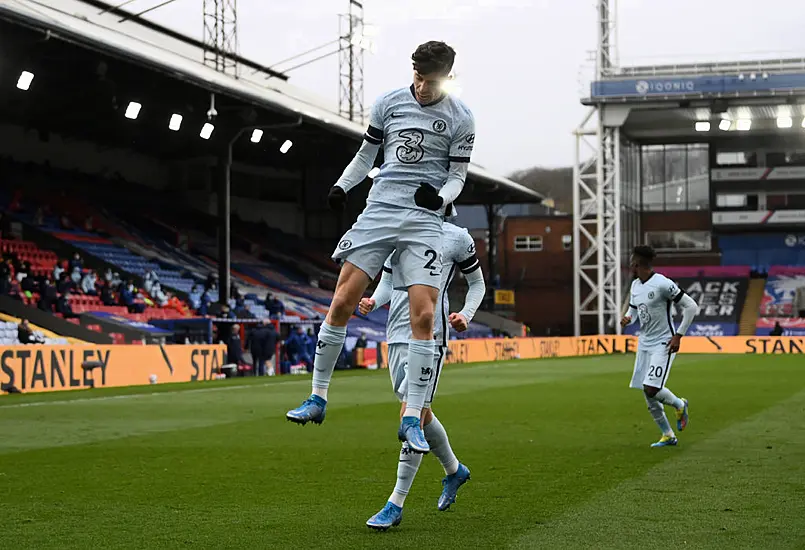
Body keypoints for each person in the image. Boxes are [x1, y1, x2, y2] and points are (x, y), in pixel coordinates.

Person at [286, 41, 475, 456]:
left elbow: (458, 178)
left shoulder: (461, 118)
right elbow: (365, 154)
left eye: (432, 80)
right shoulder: (388, 103)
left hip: (424, 220)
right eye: (418, 77)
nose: (423, 87)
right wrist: (342, 186)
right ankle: (317, 397)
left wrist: (440, 199)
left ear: (447, 76)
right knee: (341, 301)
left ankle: (412, 418)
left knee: (424, 315)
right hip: (380, 210)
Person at [359, 219, 485, 530]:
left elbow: (477, 283)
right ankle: (455, 471)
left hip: (431, 336)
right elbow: (389, 281)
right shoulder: (396, 229)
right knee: (422, 415)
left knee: (411, 415)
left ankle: (395, 504)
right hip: (397, 334)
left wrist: (466, 315)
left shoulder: (456, 237)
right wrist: (375, 300)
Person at [621, 245, 698, 448]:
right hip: (644, 343)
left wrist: (678, 336)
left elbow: (691, 306)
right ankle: (668, 435)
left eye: (632, 263)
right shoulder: (636, 285)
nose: (630, 266)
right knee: (647, 392)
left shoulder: (663, 284)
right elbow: (634, 309)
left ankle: (680, 404)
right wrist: (628, 318)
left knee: (651, 388)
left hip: (663, 342)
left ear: (638, 264)